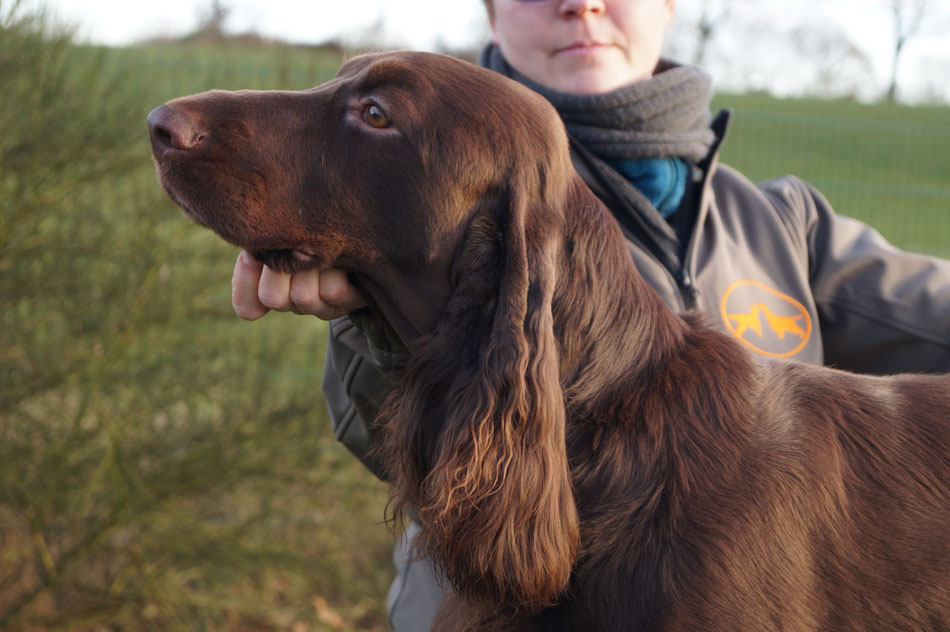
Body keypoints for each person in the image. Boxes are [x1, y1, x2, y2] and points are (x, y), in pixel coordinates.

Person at [231, 0, 950, 629]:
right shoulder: (414, 196)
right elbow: (386, 446)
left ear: (670, 3)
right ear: (491, 11)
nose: (580, 3)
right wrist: (372, 322)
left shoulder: (781, 221)